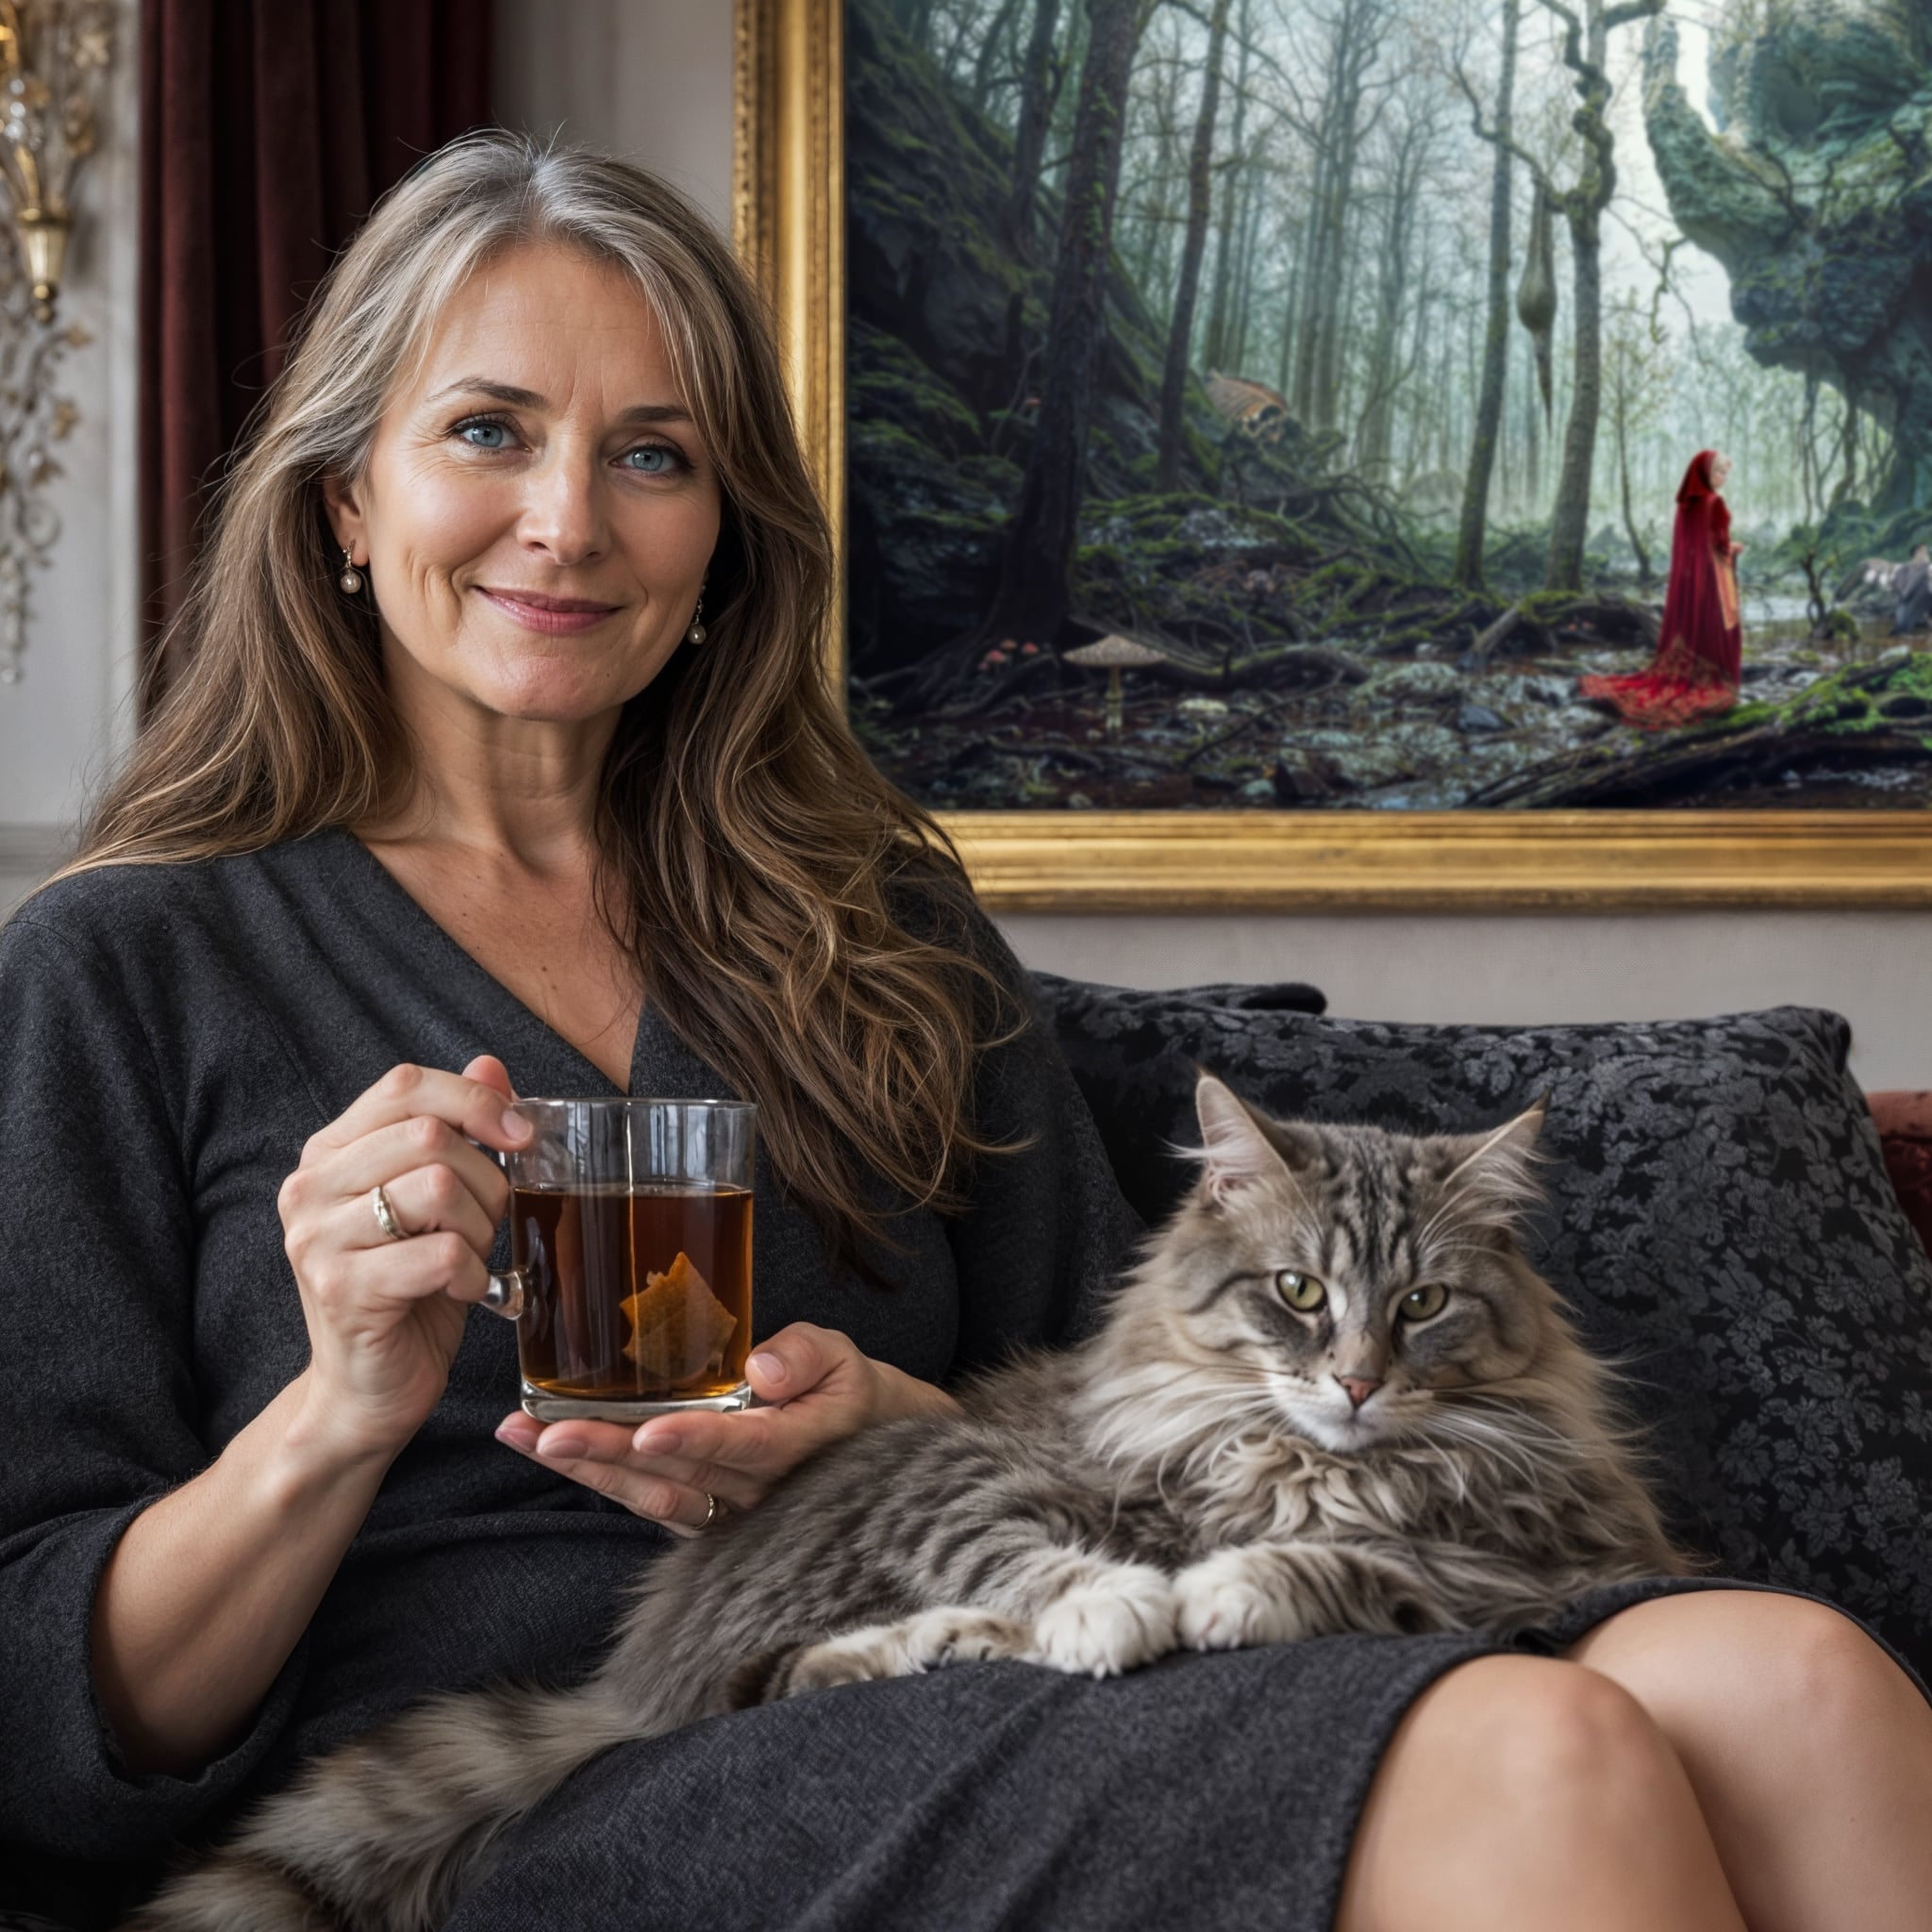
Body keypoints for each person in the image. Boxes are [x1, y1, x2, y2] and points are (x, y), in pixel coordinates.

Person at [1, 134, 1928, 1932]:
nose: (567, 521)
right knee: (1538, 1749)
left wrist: (894, 1443)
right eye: (488, 432)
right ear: (347, 497)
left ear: (724, 537)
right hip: (564, 1765)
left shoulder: (876, 919)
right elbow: (50, 1734)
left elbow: (1147, 1394)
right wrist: (335, 1409)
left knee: (1793, 1680)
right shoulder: (129, 967)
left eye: (654, 455)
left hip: (993, 1636)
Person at [1580, 449, 1744, 728]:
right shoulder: (1713, 502)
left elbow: (1689, 546)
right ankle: (1714, 677)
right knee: (1717, 624)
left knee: (1696, 628)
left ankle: (1691, 673)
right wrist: (1734, 547)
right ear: (1704, 473)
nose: (1723, 477)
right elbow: (1717, 545)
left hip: (1691, 579)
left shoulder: (1687, 504)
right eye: (1718, 471)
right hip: (1712, 577)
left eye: (1726, 472)